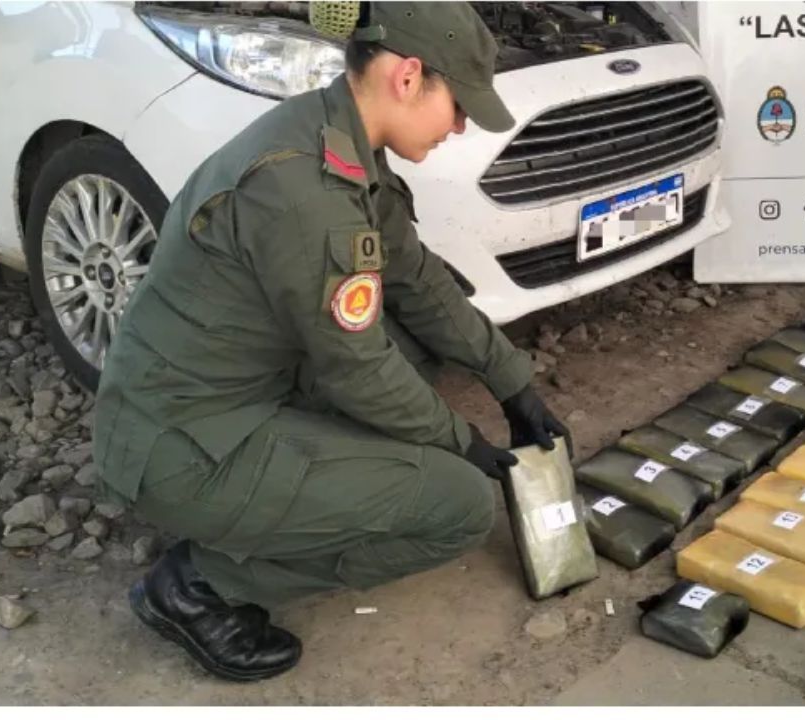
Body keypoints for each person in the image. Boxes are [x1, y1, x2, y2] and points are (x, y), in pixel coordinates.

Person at [92, 1, 568, 682]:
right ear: (408, 77)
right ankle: (201, 585)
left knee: (414, 344)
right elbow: (357, 368)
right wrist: (462, 442)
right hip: (184, 447)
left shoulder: (337, 138)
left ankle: (289, 500)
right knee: (458, 508)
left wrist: (512, 383)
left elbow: (419, 281)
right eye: (458, 106)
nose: (460, 126)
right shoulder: (304, 188)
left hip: (223, 402)